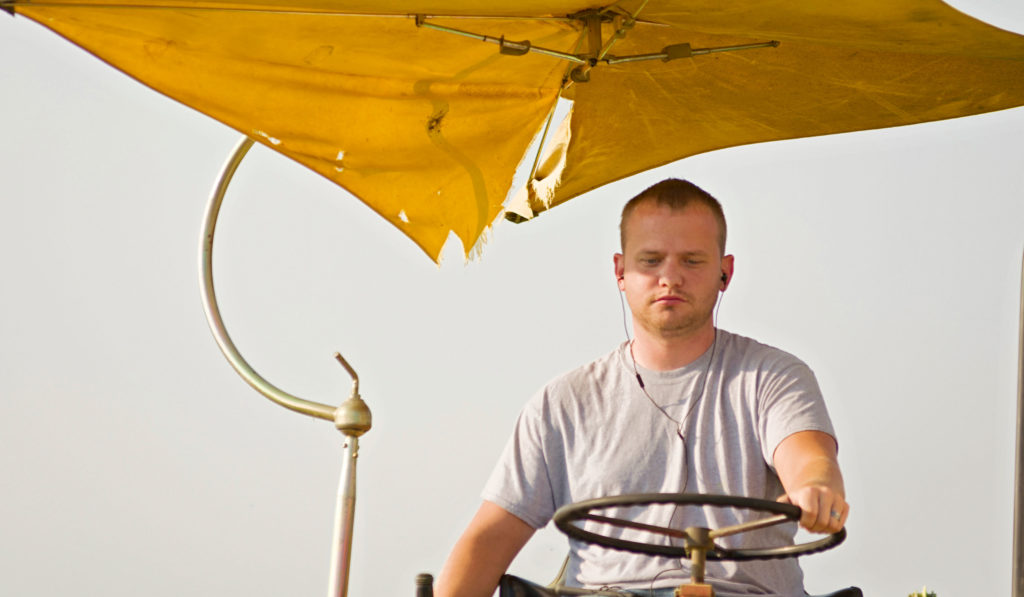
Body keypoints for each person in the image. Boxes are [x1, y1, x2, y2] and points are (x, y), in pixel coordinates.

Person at [435, 179, 849, 597]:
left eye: (691, 261)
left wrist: (815, 489)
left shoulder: (772, 377)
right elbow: (487, 539)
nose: (670, 278)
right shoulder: (562, 404)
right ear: (620, 271)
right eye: (651, 261)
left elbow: (809, 459)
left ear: (725, 272)